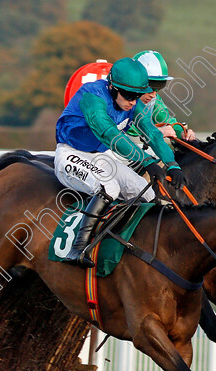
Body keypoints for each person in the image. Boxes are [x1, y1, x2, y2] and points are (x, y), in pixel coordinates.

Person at [55, 57, 186, 268]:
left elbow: (151, 133)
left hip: (100, 156)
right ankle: (77, 248)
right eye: (128, 96)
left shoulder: (131, 103)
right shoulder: (92, 97)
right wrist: (145, 161)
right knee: (110, 187)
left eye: (137, 96)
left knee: (146, 192)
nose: (133, 102)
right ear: (112, 86)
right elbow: (110, 135)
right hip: (70, 153)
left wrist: (172, 164)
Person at [128, 50, 197, 142]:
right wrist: (154, 131)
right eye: (150, 88)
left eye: (158, 88)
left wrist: (182, 132)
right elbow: (122, 126)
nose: (153, 95)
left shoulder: (153, 100)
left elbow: (166, 121)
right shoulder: (118, 97)